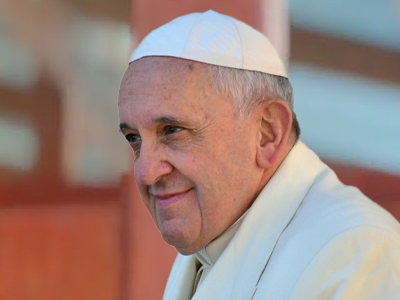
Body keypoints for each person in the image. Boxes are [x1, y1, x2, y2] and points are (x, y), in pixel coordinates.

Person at [118, 10, 400, 300]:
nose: (146, 172)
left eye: (173, 130)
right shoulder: (213, 235)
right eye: (134, 138)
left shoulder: (356, 252)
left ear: (268, 133)